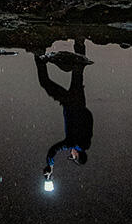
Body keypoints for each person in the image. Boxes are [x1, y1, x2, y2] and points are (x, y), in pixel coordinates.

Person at [35, 42, 93, 181]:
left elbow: (89, 117)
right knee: (45, 82)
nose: (71, 154)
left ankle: (79, 41)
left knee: (78, 72)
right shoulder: (73, 143)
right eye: (72, 156)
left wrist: (81, 109)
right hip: (69, 103)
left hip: (80, 102)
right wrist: (50, 165)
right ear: (77, 155)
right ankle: (38, 52)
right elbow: (53, 150)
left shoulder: (87, 139)